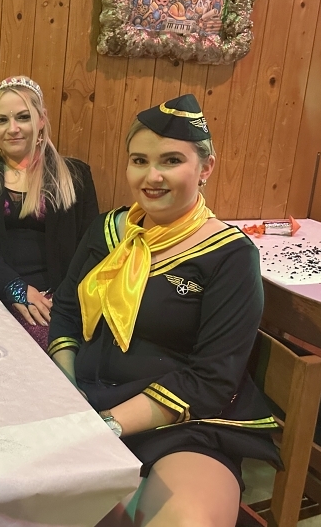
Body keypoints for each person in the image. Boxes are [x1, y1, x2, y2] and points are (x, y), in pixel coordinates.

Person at [47, 94, 280, 526]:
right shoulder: (107, 228)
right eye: (139, 161)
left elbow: (211, 379)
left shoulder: (230, 255)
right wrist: (68, 391)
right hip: (86, 403)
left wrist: (106, 425)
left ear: (206, 168)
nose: (152, 176)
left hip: (185, 426)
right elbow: (65, 311)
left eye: (171, 160)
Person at [0, 76, 98, 350]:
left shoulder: (75, 175)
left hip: (55, 302)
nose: (12, 129)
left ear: (41, 119)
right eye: (1, 120)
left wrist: (63, 301)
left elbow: (91, 247)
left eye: (23, 117)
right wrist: (13, 287)